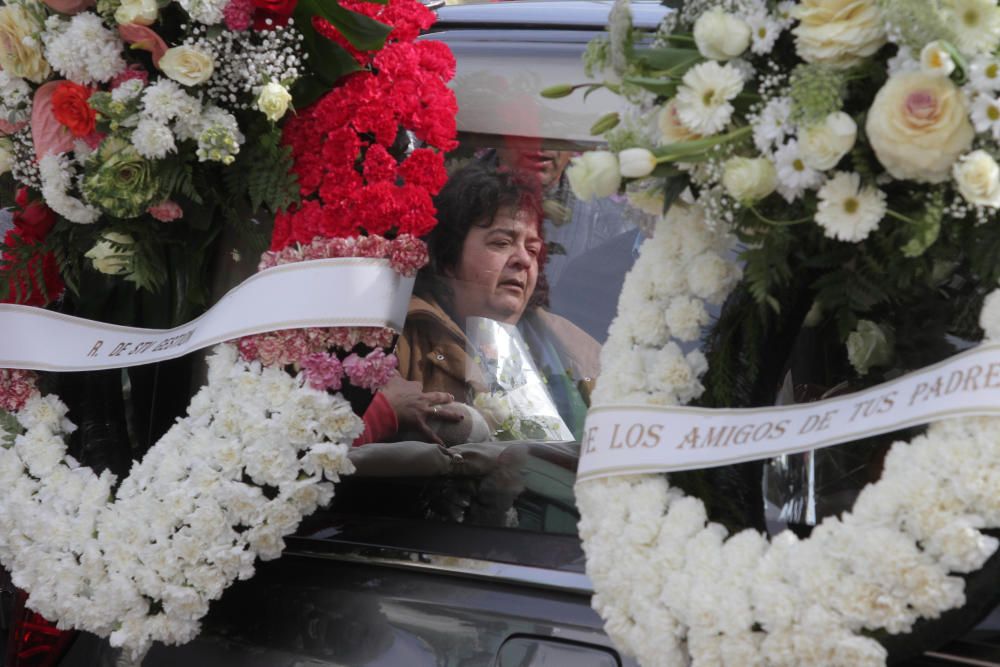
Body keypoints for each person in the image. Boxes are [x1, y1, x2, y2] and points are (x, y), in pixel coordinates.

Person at [358, 162, 600, 445]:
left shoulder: (570, 344)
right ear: (448, 258)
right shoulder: (398, 337)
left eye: (533, 249)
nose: (523, 260)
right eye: (501, 243)